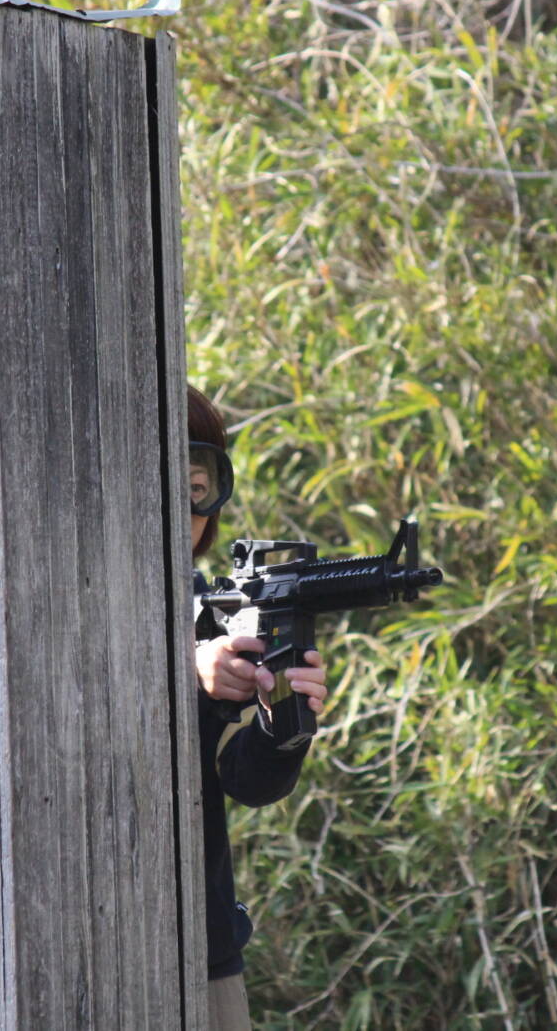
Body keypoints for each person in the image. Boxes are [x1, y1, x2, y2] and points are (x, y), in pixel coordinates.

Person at [188, 385, 329, 1031]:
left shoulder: (205, 607)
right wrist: (189, 672)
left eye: (198, 488)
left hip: (203, 949)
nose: (185, 510)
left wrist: (280, 720)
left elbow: (244, 781)